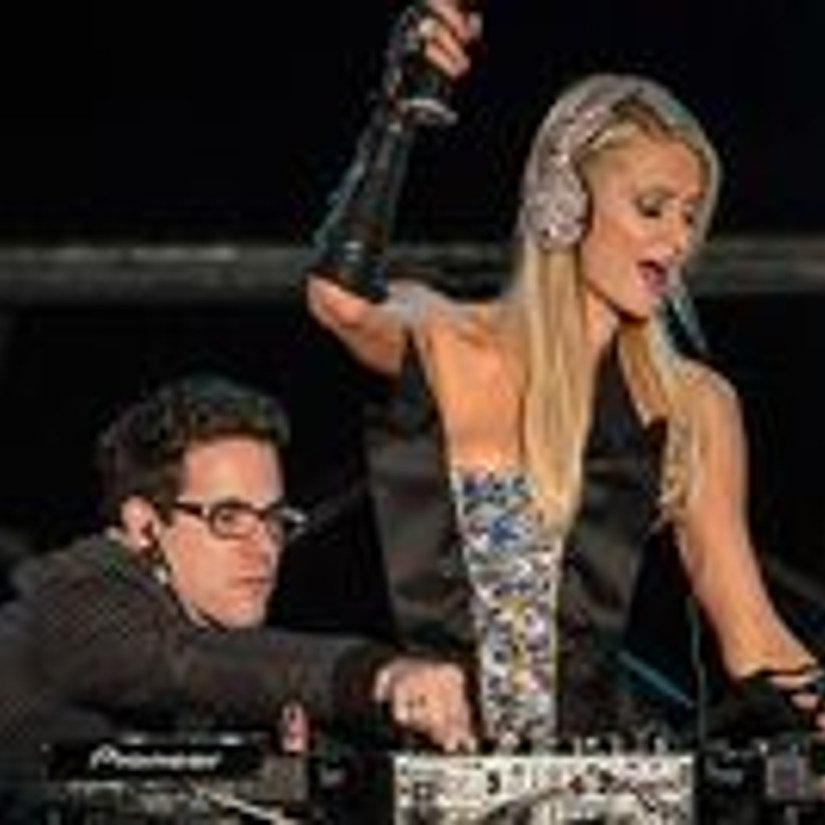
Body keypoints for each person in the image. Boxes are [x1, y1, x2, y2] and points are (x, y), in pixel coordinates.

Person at [307, 0, 825, 751]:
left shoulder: (690, 402)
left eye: (690, 216)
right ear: (563, 201)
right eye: (652, 209)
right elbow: (340, 300)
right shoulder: (452, 340)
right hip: (430, 761)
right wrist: (399, 112)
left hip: (601, 776)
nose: (676, 242)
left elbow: (753, 638)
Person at [0, 374, 475, 813]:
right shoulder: (68, 597)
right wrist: (379, 677)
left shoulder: (206, 641)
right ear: (144, 524)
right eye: (228, 518)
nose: (264, 548)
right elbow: (180, 660)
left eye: (273, 519)